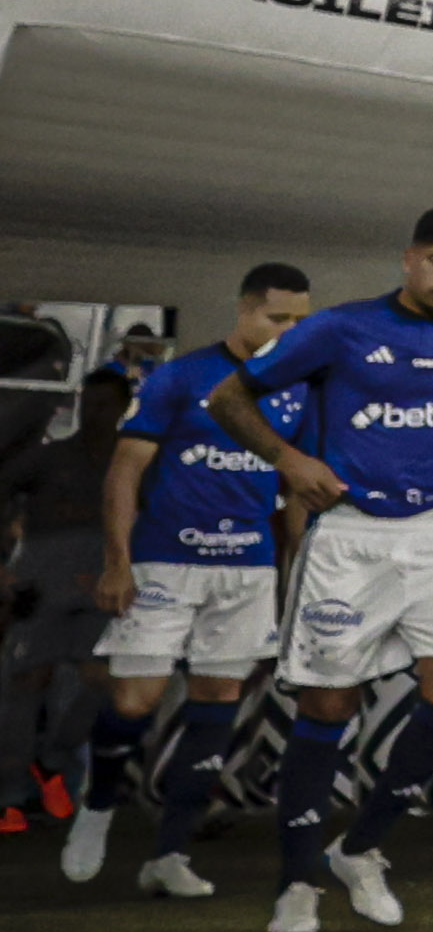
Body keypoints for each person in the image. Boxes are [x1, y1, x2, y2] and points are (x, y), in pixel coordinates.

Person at [205, 207, 433, 932]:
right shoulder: (341, 328)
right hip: (349, 535)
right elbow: (229, 397)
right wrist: (289, 460)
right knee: (327, 708)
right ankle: (296, 884)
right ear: (410, 258)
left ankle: (358, 849)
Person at [85, 264, 314, 895]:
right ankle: (99, 800)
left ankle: (169, 855)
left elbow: (296, 489)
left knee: (218, 706)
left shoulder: (297, 389)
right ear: (243, 311)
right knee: (136, 700)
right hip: (165, 562)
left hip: (246, 569)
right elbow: (124, 470)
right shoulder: (181, 377)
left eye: (299, 320)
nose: (288, 330)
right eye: (277, 318)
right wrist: (117, 560)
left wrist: (293, 577)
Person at [0, 369, 131, 839]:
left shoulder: (132, 461)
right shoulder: (49, 458)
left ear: (122, 406)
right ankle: (9, 797)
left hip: (104, 579)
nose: (95, 411)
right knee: (25, 683)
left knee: (100, 678)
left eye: (104, 403)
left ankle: (52, 760)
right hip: (43, 580)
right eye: (88, 402)